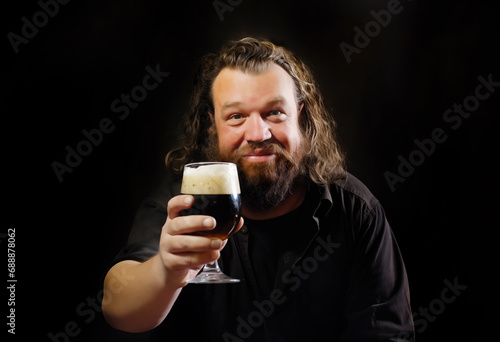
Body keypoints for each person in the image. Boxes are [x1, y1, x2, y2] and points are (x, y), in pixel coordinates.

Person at [102, 37, 415, 341]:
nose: (257, 133)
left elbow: (387, 334)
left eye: (274, 112)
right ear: (213, 124)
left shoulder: (355, 210)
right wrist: (166, 272)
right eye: (236, 116)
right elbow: (118, 309)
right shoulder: (183, 202)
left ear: (301, 116)